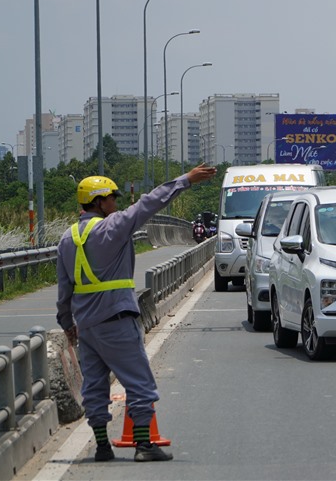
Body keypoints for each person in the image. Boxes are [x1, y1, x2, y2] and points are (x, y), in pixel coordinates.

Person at [56, 164, 217, 463]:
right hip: (117, 320)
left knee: (94, 387)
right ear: (99, 201)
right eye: (112, 198)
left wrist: (68, 325)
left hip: (86, 328)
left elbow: (63, 291)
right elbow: (149, 202)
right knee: (139, 383)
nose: (116, 203)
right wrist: (185, 180)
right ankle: (144, 444)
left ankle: (103, 447)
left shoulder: (68, 239)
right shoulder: (112, 227)